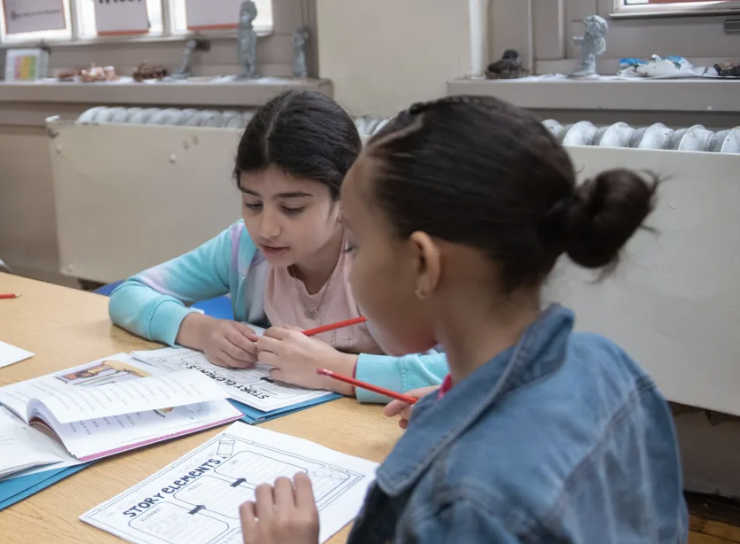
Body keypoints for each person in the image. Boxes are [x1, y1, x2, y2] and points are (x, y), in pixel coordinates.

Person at [238, 95, 685, 543]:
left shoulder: (466, 505)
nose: (350, 264)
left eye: (354, 246)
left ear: (423, 266)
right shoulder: (611, 363)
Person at [108, 91, 447, 403]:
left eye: (293, 208)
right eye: (253, 204)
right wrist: (201, 330)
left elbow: (462, 369)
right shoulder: (243, 249)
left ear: (347, 196)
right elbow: (131, 294)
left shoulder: (382, 258)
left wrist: (335, 370)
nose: (266, 229)